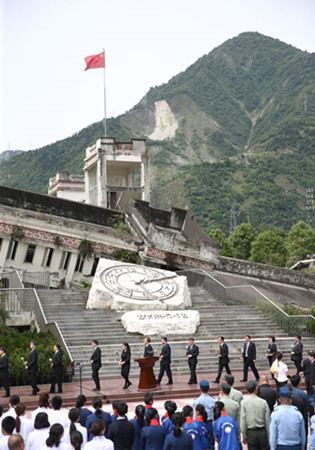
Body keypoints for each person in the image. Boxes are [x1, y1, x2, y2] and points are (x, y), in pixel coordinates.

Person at [269, 386, 306, 450]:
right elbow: (302, 434)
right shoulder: (298, 414)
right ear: (290, 400)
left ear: (279, 400)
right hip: (295, 446)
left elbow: (273, 435)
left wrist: (272, 448)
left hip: (281, 446)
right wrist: (302, 447)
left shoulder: (275, 414)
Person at [240, 380, 270, 449]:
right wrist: (268, 435)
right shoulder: (263, 402)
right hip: (262, 431)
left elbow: (243, 420)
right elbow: (267, 420)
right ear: (256, 388)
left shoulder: (244, 403)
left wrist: (244, 435)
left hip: (251, 433)